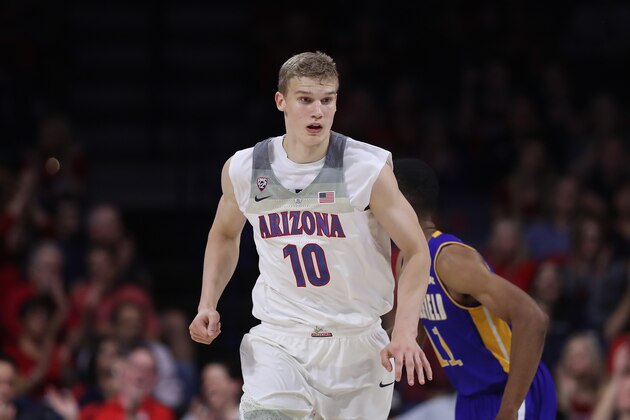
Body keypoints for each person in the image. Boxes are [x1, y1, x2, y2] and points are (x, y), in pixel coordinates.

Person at [188, 51, 433, 419]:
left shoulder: (365, 167)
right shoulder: (245, 168)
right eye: (305, 99)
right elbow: (224, 234)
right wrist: (208, 302)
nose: (318, 111)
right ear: (281, 101)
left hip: (356, 343)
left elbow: (416, 250)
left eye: (327, 100)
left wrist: (404, 331)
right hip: (280, 338)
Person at [391, 158, 556, 420]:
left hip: (510, 389)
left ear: (398, 203)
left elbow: (533, 317)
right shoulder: (405, 258)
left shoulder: (449, 259)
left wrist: (510, 409)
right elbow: (419, 322)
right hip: (470, 396)